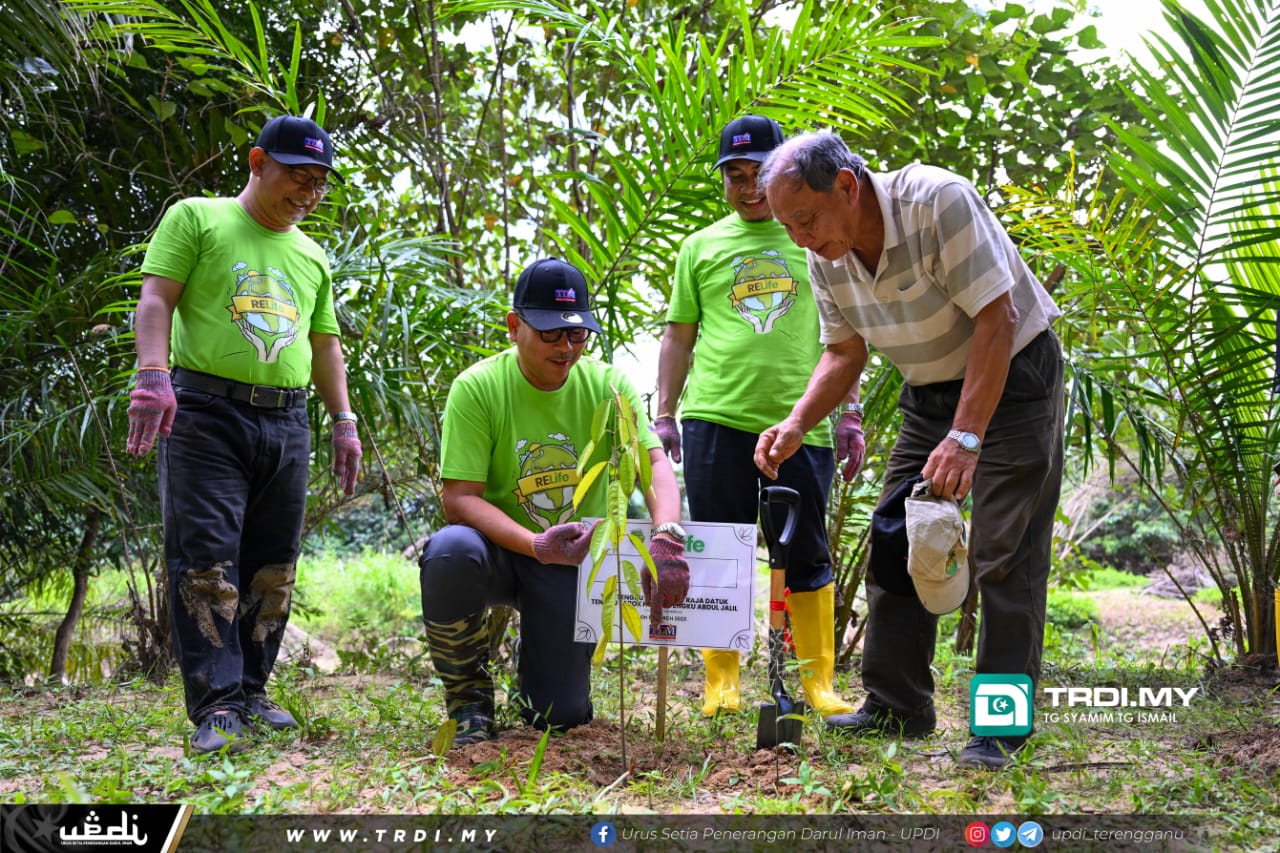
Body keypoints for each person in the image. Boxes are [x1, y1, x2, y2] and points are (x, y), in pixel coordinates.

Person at [754, 132, 1064, 769]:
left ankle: (1000, 727)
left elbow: (996, 318)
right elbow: (844, 352)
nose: (800, 238)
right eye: (787, 226)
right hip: (929, 391)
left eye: (805, 219)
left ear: (846, 184)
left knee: (1004, 551)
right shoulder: (825, 255)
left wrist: (968, 435)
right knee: (896, 535)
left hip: (1014, 376)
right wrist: (795, 422)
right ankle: (899, 704)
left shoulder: (935, 200)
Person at [125, 115, 362, 755]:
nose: (308, 194)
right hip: (203, 411)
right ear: (258, 162)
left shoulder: (311, 254)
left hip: (286, 419)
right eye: (296, 177)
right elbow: (155, 300)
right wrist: (151, 376)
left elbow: (324, 344)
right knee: (205, 559)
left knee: (272, 565)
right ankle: (217, 704)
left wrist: (344, 421)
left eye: (318, 184)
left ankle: (253, 690)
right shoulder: (197, 218)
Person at [419, 258, 690, 746]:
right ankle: (469, 701)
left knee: (558, 716)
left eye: (578, 335)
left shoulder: (610, 387)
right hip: (502, 549)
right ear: (514, 326)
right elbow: (459, 499)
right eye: (550, 334)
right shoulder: (478, 388)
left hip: (572, 559)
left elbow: (655, 469)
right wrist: (534, 543)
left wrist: (668, 537)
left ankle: (541, 656)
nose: (566, 348)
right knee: (449, 550)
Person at [655, 116, 858, 720]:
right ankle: (723, 682)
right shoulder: (700, 247)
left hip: (802, 422)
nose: (747, 188)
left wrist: (847, 413)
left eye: (758, 175)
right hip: (717, 420)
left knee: (807, 553)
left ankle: (818, 682)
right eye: (734, 176)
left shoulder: (812, 238)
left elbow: (847, 335)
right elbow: (678, 337)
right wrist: (664, 415)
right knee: (717, 551)